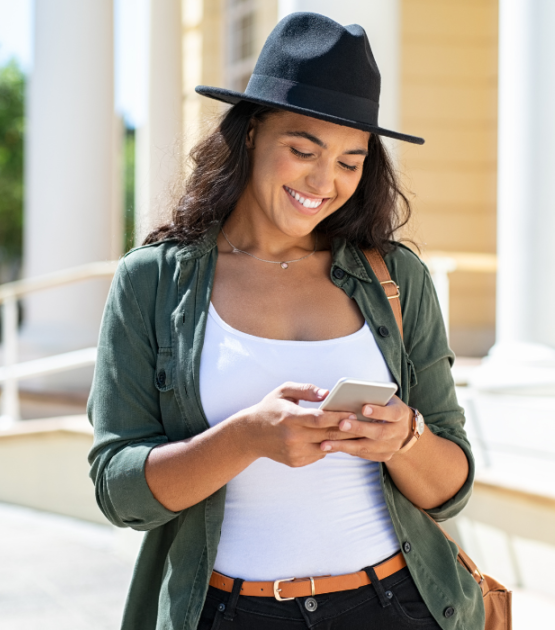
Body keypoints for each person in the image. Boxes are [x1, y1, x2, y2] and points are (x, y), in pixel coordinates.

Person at [88, 12, 482, 630]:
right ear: (250, 136)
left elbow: (451, 485)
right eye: (303, 150)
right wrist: (245, 439)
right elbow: (119, 492)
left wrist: (404, 437)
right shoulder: (154, 282)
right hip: (227, 613)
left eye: (351, 162)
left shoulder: (397, 279)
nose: (324, 182)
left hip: (395, 605)